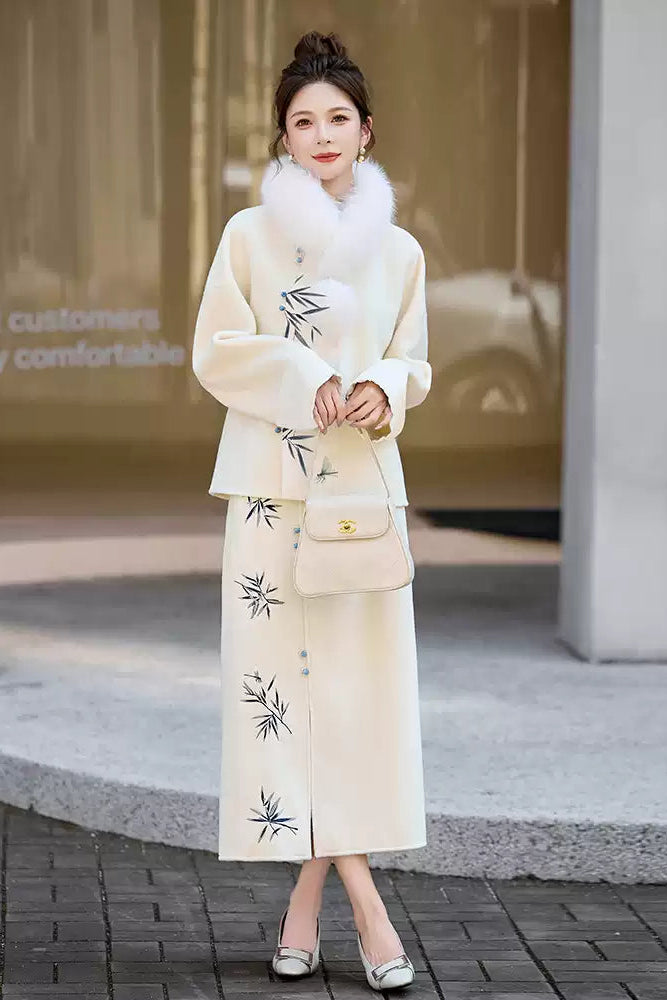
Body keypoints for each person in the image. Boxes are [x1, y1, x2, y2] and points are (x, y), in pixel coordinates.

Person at [191, 29, 432, 993]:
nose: (321, 133)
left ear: (365, 133)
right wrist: (309, 374)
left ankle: (307, 906)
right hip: (268, 498)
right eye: (303, 120)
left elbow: (413, 359)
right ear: (283, 138)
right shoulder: (249, 237)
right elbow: (217, 350)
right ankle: (366, 908)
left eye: (337, 118)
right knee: (285, 706)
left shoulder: (402, 251)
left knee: (360, 707)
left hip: (364, 500)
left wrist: (382, 383)